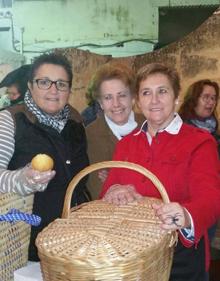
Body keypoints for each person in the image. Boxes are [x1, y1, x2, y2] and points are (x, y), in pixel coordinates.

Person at [100, 63, 220, 280]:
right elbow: (107, 192)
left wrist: (184, 215)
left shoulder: (200, 142)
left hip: (180, 256)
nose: (154, 100)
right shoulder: (126, 144)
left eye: (162, 91)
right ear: (138, 100)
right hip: (131, 255)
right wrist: (115, 190)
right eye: (146, 93)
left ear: (176, 98)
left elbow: (210, 199)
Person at [0, 53, 89, 261]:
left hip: (74, 245)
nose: (53, 90)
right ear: (30, 86)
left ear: (69, 90)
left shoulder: (76, 122)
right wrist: (23, 179)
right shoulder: (10, 120)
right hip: (25, 247)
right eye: (44, 82)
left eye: (61, 84)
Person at [85, 62, 144, 200]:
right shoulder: (90, 135)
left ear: (133, 97)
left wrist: (114, 179)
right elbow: (98, 190)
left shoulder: (149, 126)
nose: (116, 104)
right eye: (108, 97)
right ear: (100, 103)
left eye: (122, 95)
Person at [179, 79, 220, 152]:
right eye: (206, 97)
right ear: (193, 99)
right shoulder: (180, 131)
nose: (211, 102)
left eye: (213, 98)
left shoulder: (214, 130)